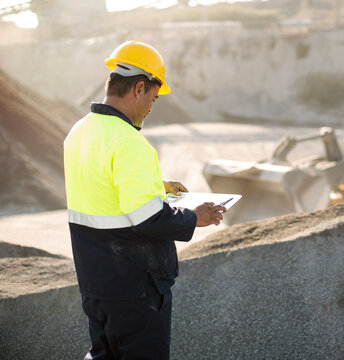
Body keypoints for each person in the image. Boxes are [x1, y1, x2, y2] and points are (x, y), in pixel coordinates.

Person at [63, 40, 226, 360]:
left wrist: (158, 186)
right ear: (139, 88)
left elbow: (103, 189)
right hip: (134, 289)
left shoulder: (80, 132)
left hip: (95, 283)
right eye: (153, 96)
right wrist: (196, 217)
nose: (152, 106)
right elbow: (148, 218)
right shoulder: (128, 142)